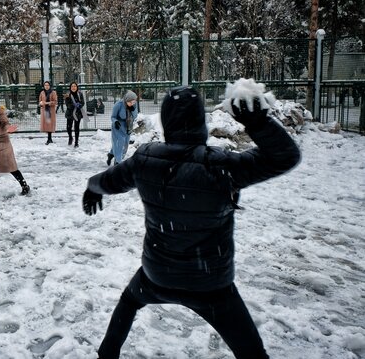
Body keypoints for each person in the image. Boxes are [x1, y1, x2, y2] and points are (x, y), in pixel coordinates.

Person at [82, 85, 301, 359]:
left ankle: (107, 355)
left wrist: (93, 188)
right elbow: (285, 157)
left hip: (157, 275)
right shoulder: (222, 166)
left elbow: (110, 180)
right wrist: (258, 123)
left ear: (167, 120)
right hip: (211, 285)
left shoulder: (146, 159)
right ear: (201, 121)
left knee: (129, 301)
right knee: (252, 353)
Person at [107, 90, 138, 166]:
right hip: (118, 127)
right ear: (126, 100)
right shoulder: (118, 104)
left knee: (125, 144)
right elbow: (113, 117)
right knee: (119, 144)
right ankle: (118, 162)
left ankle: (111, 154)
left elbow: (135, 116)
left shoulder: (134, 105)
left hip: (128, 127)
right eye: (130, 102)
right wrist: (115, 122)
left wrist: (133, 110)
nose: (132, 104)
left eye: (133, 102)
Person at [64, 81, 85, 147]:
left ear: (77, 87)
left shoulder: (80, 94)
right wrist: (74, 105)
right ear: (70, 87)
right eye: (72, 86)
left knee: (76, 128)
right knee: (68, 127)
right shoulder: (68, 94)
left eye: (75, 86)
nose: (73, 87)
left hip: (78, 113)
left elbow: (83, 102)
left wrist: (79, 105)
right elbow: (67, 104)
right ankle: (70, 137)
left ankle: (76, 142)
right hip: (70, 113)